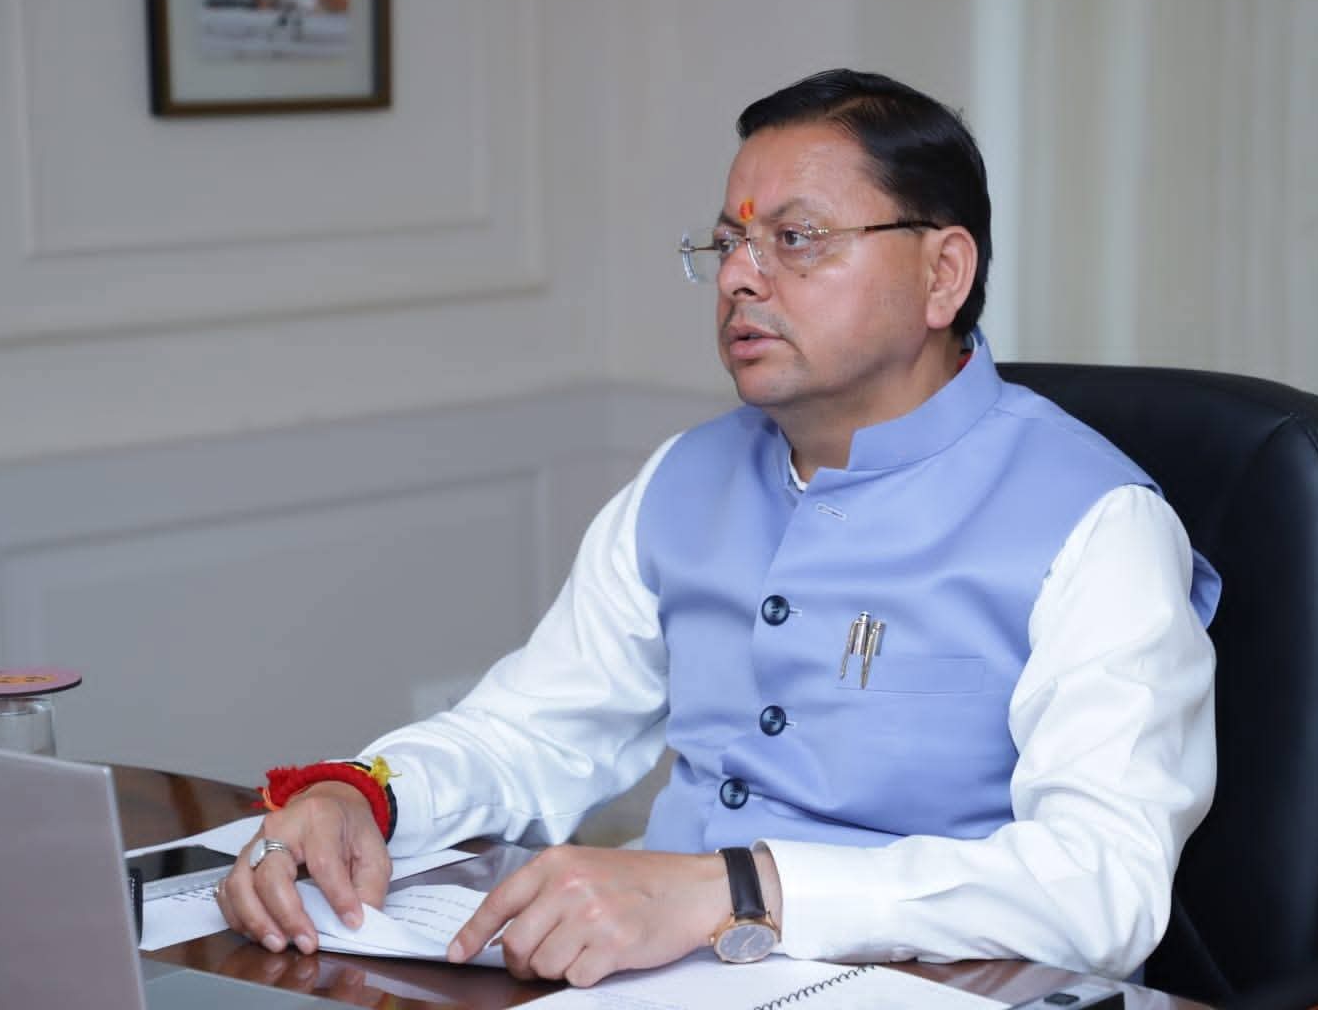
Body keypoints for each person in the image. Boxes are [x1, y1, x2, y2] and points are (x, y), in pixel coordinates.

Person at [217, 69, 1220, 989]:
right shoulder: (684, 479)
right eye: (729, 243)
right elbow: (535, 730)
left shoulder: (1096, 522)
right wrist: (366, 796)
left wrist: (740, 889)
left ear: (942, 274)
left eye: (796, 238)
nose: (741, 275)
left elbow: (1102, 884)